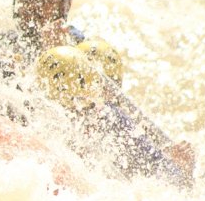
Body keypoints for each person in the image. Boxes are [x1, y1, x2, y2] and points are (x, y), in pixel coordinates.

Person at [35, 45, 194, 188]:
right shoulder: (110, 118)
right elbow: (173, 183)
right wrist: (183, 170)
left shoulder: (110, 119)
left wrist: (182, 171)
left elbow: (163, 177)